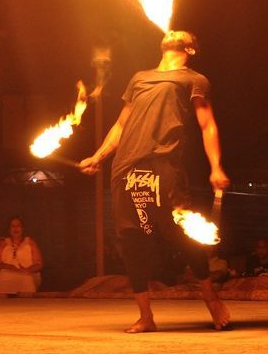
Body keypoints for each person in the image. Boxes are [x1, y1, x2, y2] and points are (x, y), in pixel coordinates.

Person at [80, 30, 232, 332]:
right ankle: (146, 316)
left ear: (190, 47)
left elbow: (207, 125)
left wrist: (216, 166)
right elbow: (121, 124)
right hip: (125, 168)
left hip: (164, 165)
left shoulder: (194, 80)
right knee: (130, 240)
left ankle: (211, 300)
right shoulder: (139, 78)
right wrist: (98, 156)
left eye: (182, 34)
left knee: (183, 233)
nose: (172, 30)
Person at [0, 216, 42, 297]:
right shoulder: (3, 243)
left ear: (23, 228)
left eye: (18, 226)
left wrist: (27, 270)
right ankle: (2, 307)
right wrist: (8, 266)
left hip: (27, 273)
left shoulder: (30, 242)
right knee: (4, 277)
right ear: (9, 229)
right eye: (13, 226)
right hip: (7, 273)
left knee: (26, 279)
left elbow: (39, 264)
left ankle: (27, 307)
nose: (16, 228)